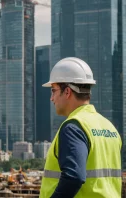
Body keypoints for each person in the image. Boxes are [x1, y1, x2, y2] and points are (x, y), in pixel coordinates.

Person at [39, 57, 122, 197]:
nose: (51, 98)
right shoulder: (110, 128)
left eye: (53, 90)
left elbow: (73, 177)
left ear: (67, 92)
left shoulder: (73, 127)